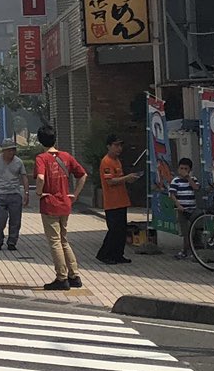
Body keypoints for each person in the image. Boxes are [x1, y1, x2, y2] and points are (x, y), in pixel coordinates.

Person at [34, 124, 87, 290]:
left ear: (40, 140)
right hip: (65, 203)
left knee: (55, 241)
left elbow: (41, 177)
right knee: (64, 240)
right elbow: (83, 174)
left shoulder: (41, 158)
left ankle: (61, 277)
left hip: (50, 204)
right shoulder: (66, 156)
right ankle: (74, 275)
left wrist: (38, 192)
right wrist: (75, 194)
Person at [96, 135, 141, 265]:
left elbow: (120, 179)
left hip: (121, 200)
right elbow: (110, 181)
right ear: (109, 146)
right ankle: (104, 254)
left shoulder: (117, 161)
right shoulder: (106, 161)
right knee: (114, 230)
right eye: (116, 145)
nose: (119, 148)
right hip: (112, 202)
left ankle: (118, 254)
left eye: (120, 145)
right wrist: (126, 178)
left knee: (121, 230)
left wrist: (129, 179)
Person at [0, 139, 28, 252]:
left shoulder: (18, 162)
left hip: (15, 194)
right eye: (9, 150)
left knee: (15, 220)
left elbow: (24, 177)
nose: (11, 153)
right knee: (0, 218)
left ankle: (12, 242)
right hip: (0, 194)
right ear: (3, 151)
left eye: (13, 150)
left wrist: (26, 193)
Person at [168, 158, 200, 259]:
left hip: (192, 209)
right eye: (181, 168)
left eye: (186, 168)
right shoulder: (175, 181)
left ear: (189, 170)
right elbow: (172, 195)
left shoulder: (193, 179)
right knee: (185, 231)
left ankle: (191, 250)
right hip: (181, 210)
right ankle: (185, 251)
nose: (183, 170)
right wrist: (178, 205)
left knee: (193, 230)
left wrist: (188, 178)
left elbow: (196, 188)